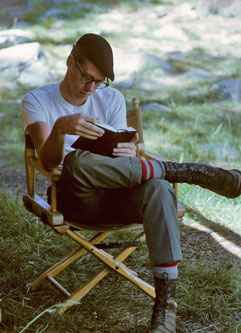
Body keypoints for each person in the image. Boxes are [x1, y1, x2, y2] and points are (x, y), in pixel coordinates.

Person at [22, 33, 241, 333]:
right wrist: (61, 130)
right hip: (75, 199)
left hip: (117, 195)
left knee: (159, 188)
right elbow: (48, 162)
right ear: (69, 61)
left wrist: (128, 149)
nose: (91, 87)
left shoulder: (111, 99)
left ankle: (165, 310)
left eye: (99, 82)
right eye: (86, 77)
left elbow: (123, 152)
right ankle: (187, 172)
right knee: (76, 161)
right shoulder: (37, 100)